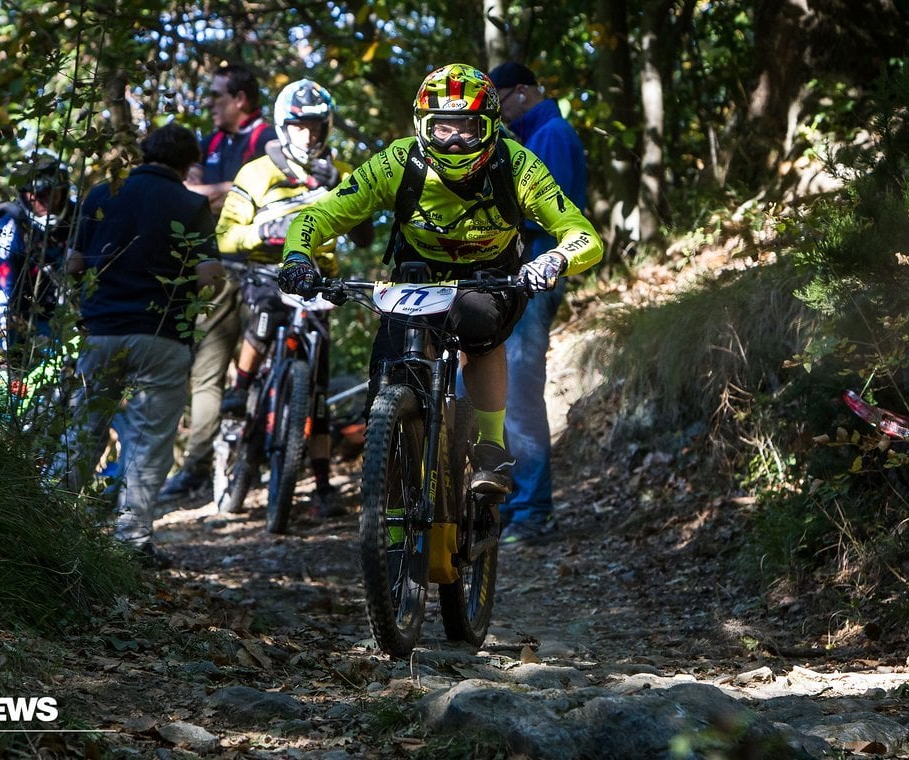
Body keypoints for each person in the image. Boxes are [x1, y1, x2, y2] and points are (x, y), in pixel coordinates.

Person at [277, 63, 603, 493]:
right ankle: (394, 466)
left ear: (491, 126)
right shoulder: (396, 162)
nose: (453, 141)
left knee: (481, 329)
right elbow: (319, 216)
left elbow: (584, 236)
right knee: (388, 367)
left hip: (490, 277)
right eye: (442, 128)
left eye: (467, 128)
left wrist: (555, 260)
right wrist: (299, 258)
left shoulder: (519, 165)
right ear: (420, 126)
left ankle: (490, 447)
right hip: (416, 275)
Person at [53, 123, 225, 566]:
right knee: (149, 440)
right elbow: (209, 274)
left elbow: (73, 262)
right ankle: (129, 541)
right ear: (188, 163)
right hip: (162, 334)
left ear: (144, 152)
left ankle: (47, 516)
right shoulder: (191, 203)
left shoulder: (100, 194)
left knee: (83, 429)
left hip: (101, 329)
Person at [215, 78, 374, 517]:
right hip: (265, 272)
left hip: (318, 280)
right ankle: (241, 389)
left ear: (327, 128)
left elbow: (362, 234)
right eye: (299, 126)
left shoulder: (338, 174)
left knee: (318, 388)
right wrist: (262, 232)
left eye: (316, 127)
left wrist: (360, 211)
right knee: (265, 314)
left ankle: (322, 486)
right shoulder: (257, 171)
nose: (308, 135)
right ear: (285, 126)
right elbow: (225, 237)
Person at [158, 64, 278, 503]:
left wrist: (218, 191)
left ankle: (260, 461)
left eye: (216, 96)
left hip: (265, 268)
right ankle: (194, 469)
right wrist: (221, 190)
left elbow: (269, 192)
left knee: (265, 368)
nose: (209, 103)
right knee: (207, 375)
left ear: (241, 99)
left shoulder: (266, 137)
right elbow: (191, 194)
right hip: (218, 268)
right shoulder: (209, 142)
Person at [487, 61, 589, 546]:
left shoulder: (549, 134)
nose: (495, 110)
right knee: (497, 391)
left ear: (521, 92)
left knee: (519, 393)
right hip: (515, 278)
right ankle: (510, 505)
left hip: (532, 279)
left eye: (499, 98)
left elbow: (554, 219)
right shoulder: (533, 134)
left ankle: (531, 511)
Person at [0, 157, 74, 357]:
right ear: (26, 195)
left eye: (51, 193)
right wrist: (4, 326)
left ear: (63, 192)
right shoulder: (10, 225)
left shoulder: (77, 220)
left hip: (52, 314)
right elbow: (0, 285)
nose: (43, 201)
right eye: (36, 194)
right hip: (6, 308)